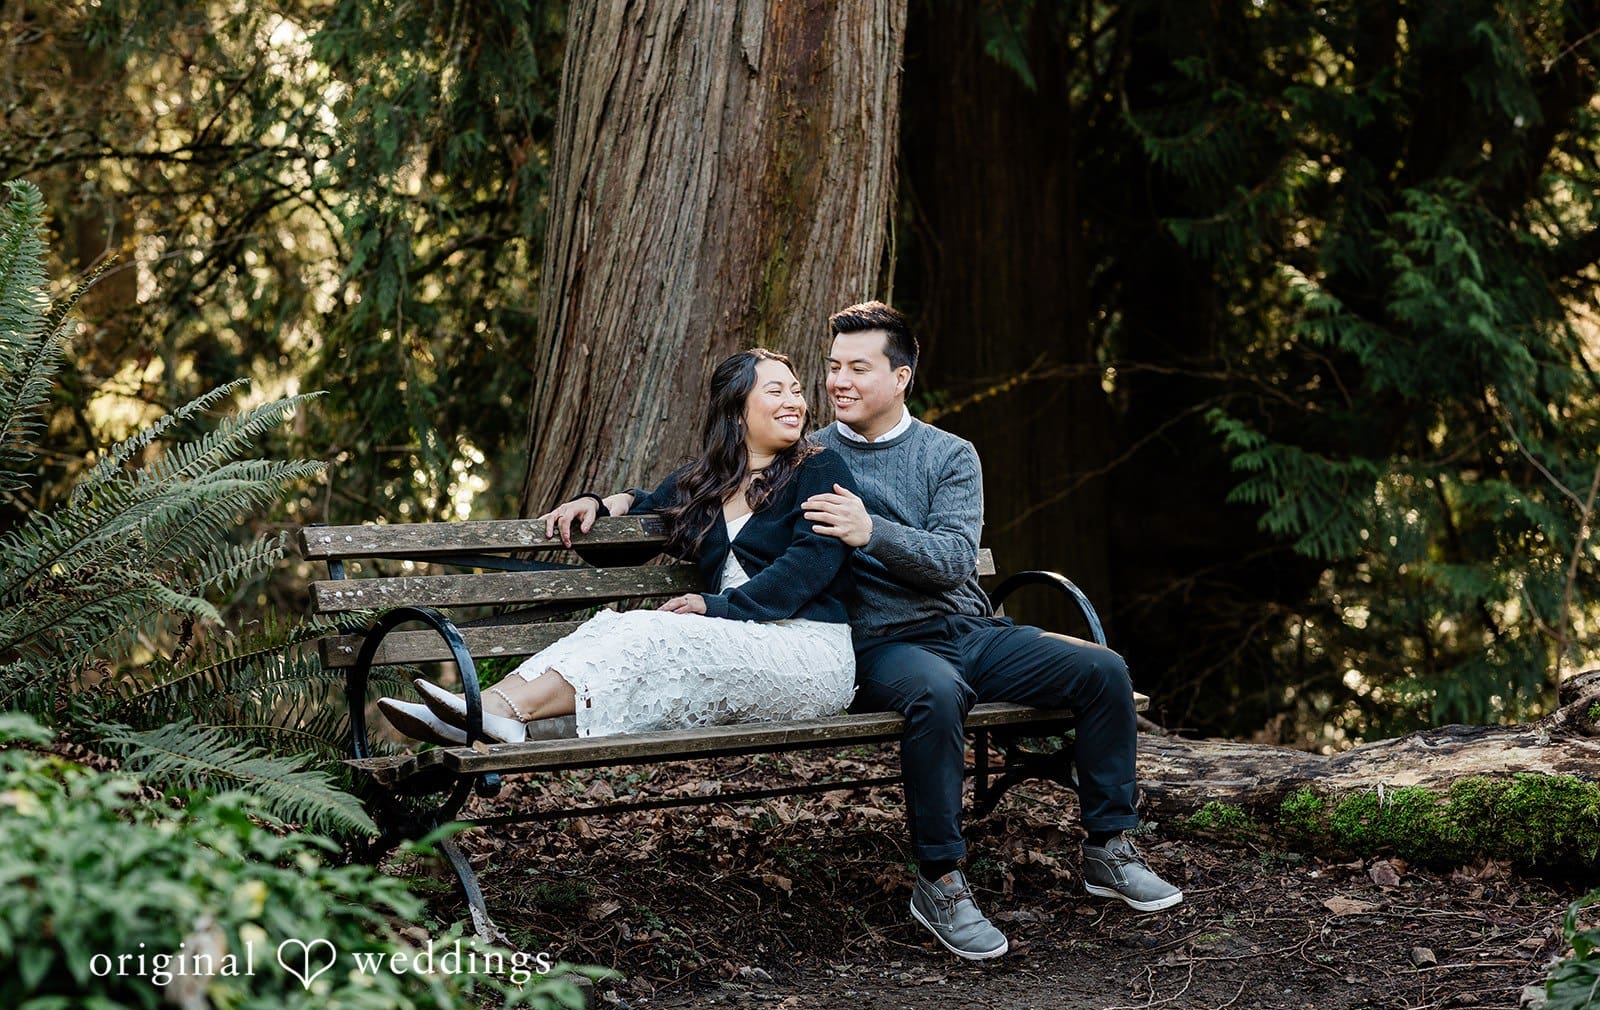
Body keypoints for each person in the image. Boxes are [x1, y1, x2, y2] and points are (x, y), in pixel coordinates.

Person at [800, 302, 1183, 962]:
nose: (839, 380)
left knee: (1103, 670)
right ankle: (941, 880)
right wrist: (614, 503)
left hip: (970, 628)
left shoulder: (949, 454)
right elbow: (710, 479)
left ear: (900, 377)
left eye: (858, 367)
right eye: (833, 366)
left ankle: (1108, 847)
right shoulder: (810, 457)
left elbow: (953, 558)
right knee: (939, 692)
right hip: (880, 645)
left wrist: (874, 531)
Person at [377, 349, 858, 746]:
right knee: (611, 627)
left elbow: (810, 565)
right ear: (736, 410)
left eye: (795, 390)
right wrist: (599, 505)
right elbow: (643, 517)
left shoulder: (818, 468)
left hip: (805, 650)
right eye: (775, 391)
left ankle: (492, 711)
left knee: (652, 632)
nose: (793, 400)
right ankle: (481, 712)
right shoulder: (705, 483)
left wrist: (717, 606)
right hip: (734, 643)